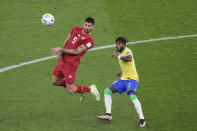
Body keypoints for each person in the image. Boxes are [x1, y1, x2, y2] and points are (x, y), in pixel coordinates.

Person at [97, 37, 146, 128]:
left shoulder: (127, 51)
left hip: (132, 78)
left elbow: (129, 58)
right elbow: (127, 65)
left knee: (132, 96)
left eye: (119, 44)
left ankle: (142, 119)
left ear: (123, 45)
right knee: (107, 91)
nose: (117, 45)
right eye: (116, 43)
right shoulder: (121, 53)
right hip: (124, 78)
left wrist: (118, 56)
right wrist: (121, 71)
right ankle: (108, 114)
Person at [51, 17, 100, 102]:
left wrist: (61, 49)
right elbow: (67, 39)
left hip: (71, 64)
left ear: (93, 27)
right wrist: (61, 53)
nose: (87, 27)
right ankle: (79, 89)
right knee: (55, 81)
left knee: (71, 90)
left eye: (89, 26)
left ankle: (91, 89)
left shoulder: (90, 41)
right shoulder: (75, 28)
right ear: (83, 24)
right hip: (63, 60)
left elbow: (76, 51)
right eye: (86, 25)